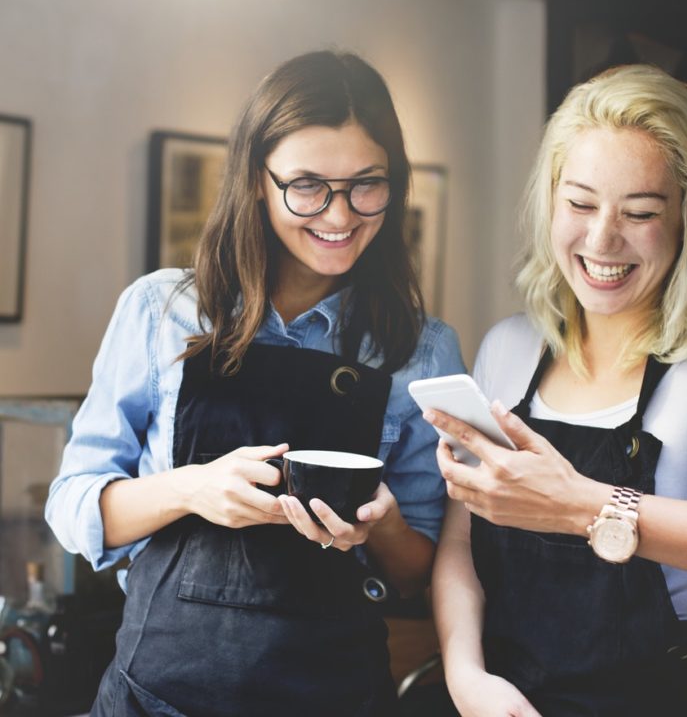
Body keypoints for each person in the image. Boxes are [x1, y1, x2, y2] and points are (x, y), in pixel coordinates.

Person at [45, 50, 465, 717]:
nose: (339, 214)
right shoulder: (161, 310)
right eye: (307, 185)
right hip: (154, 696)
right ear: (256, 181)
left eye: (366, 184)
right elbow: (72, 508)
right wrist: (192, 488)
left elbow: (420, 568)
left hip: (335, 697)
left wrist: (380, 527)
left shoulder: (423, 349)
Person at [428, 62, 687, 717]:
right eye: (579, 204)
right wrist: (468, 678)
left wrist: (585, 505)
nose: (601, 239)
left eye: (640, 211)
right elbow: (459, 543)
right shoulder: (509, 346)